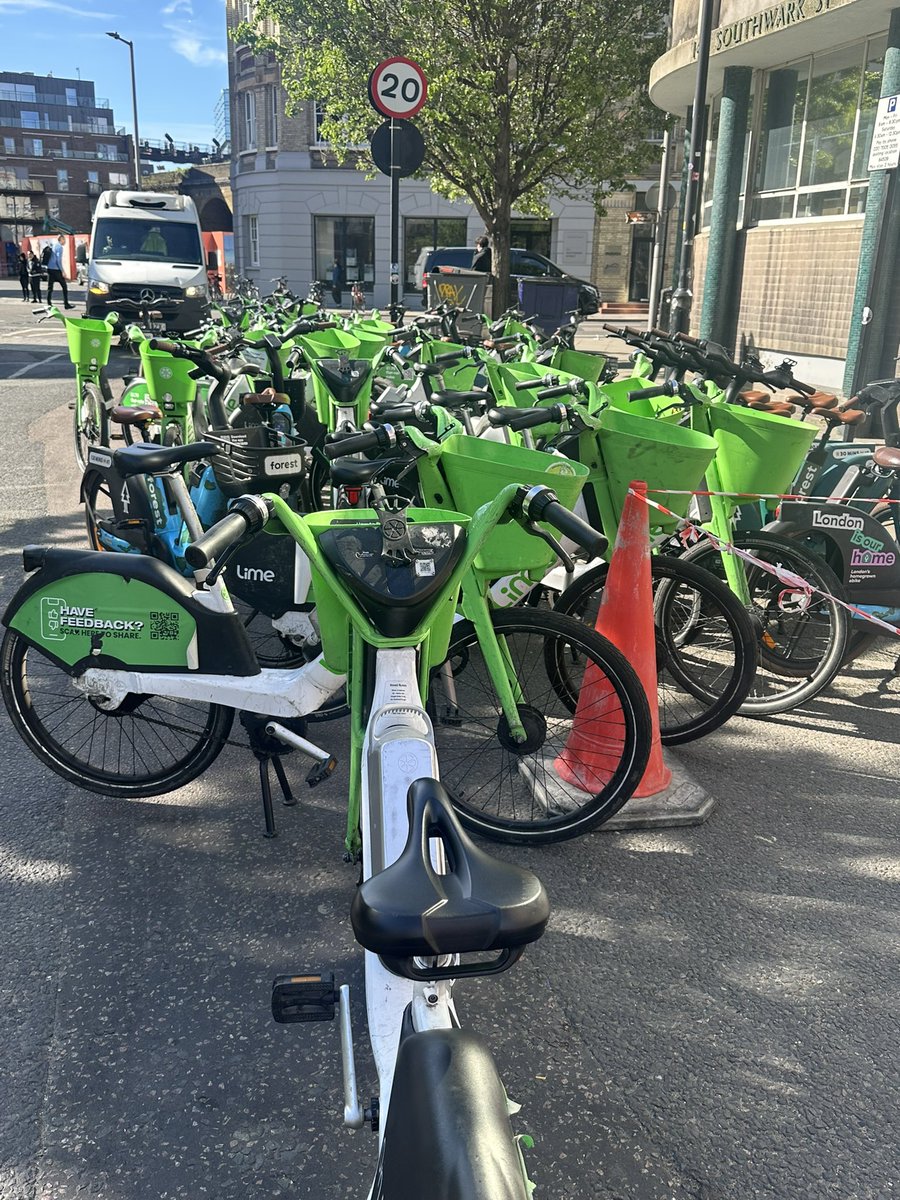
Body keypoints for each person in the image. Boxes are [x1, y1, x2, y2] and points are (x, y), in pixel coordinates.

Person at [46, 235, 74, 309]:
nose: (65, 241)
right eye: (64, 240)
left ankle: (49, 303)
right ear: (61, 239)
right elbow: (58, 260)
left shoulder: (54, 245)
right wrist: (62, 271)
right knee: (64, 286)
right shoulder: (60, 247)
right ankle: (66, 304)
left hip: (49, 268)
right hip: (56, 269)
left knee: (50, 287)